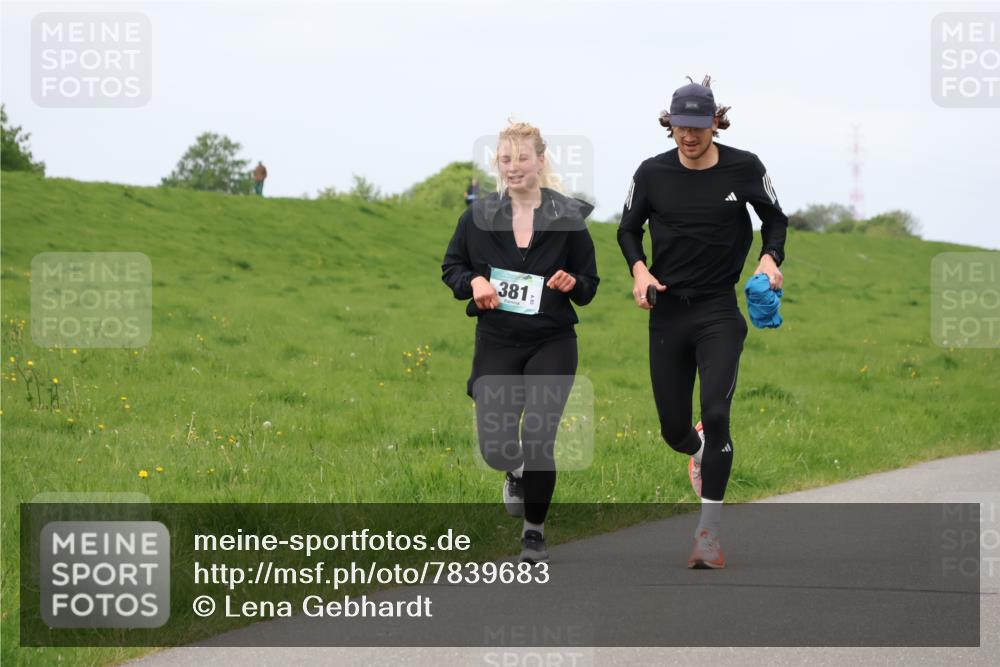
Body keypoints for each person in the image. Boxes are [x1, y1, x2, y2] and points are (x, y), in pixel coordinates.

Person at [617, 76, 787, 569]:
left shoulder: (744, 167)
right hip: (668, 311)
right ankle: (695, 452)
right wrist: (640, 269)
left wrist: (769, 258)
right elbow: (628, 229)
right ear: (668, 125)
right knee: (674, 429)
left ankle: (708, 534)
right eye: (679, 127)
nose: (688, 136)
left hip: (718, 310)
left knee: (717, 414)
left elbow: (775, 218)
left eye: (698, 126)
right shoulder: (651, 173)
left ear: (716, 121)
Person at [442, 121, 599, 563]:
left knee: (538, 435)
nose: (513, 167)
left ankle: (534, 531)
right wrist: (473, 280)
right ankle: (514, 472)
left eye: (522, 158)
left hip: (552, 340)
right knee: (496, 448)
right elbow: (451, 267)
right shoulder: (477, 217)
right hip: (497, 341)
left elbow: (590, 283)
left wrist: (573, 283)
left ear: (540, 161)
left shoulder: (567, 219)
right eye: (505, 159)